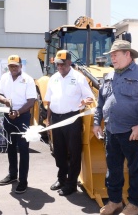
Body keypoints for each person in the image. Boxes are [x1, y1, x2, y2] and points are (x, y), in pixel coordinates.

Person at [93, 40, 138, 215]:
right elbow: (101, 102)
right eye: (111, 55)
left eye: (115, 55)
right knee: (113, 169)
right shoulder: (109, 76)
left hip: (133, 133)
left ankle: (135, 204)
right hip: (111, 131)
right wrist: (97, 122)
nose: (112, 58)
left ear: (128, 54)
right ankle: (115, 201)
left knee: (136, 170)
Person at [45, 50, 94, 196]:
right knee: (58, 151)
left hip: (72, 118)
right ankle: (61, 178)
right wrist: (48, 120)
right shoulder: (53, 78)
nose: (59, 67)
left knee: (73, 152)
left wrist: (85, 101)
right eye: (57, 64)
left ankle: (71, 183)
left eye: (62, 64)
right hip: (56, 118)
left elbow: (90, 97)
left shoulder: (79, 78)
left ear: (69, 63)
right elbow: (49, 101)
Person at [0, 55, 36, 194]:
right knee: (10, 146)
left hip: (22, 117)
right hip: (8, 116)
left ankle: (23, 180)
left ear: (21, 66)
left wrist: (18, 113)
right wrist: (5, 100)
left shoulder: (28, 80)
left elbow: (31, 101)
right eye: (11, 66)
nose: (13, 68)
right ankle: (13, 175)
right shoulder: (4, 77)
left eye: (16, 66)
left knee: (23, 148)